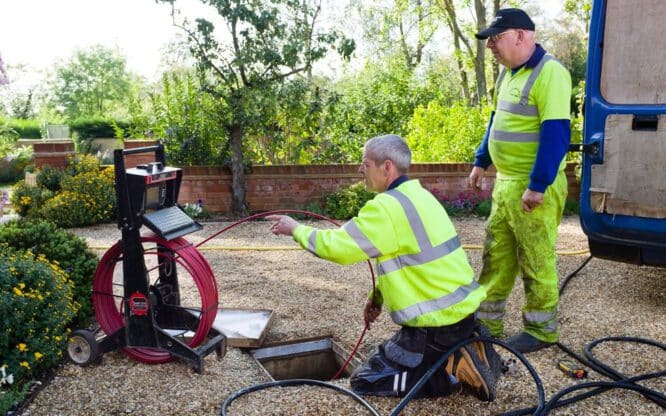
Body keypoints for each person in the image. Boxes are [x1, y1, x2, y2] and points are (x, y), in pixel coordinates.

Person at [267, 134, 501, 401]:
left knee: (366, 381)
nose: (360, 169)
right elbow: (412, 262)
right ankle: (464, 344)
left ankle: (452, 368)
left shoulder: (386, 208)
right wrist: (376, 297)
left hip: (435, 327)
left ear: (386, 167)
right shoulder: (420, 196)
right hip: (460, 315)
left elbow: (338, 247)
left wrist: (295, 228)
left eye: (365, 163)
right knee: (383, 361)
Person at [469, 8, 572, 353]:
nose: (491, 48)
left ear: (522, 35)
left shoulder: (551, 73)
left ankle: (541, 331)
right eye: (489, 41)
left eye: (495, 39)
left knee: (535, 258)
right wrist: (481, 161)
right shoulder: (506, 75)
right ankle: (486, 323)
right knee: (496, 255)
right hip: (507, 184)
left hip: (533, 187)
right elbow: (496, 121)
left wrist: (539, 185)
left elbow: (556, 134)